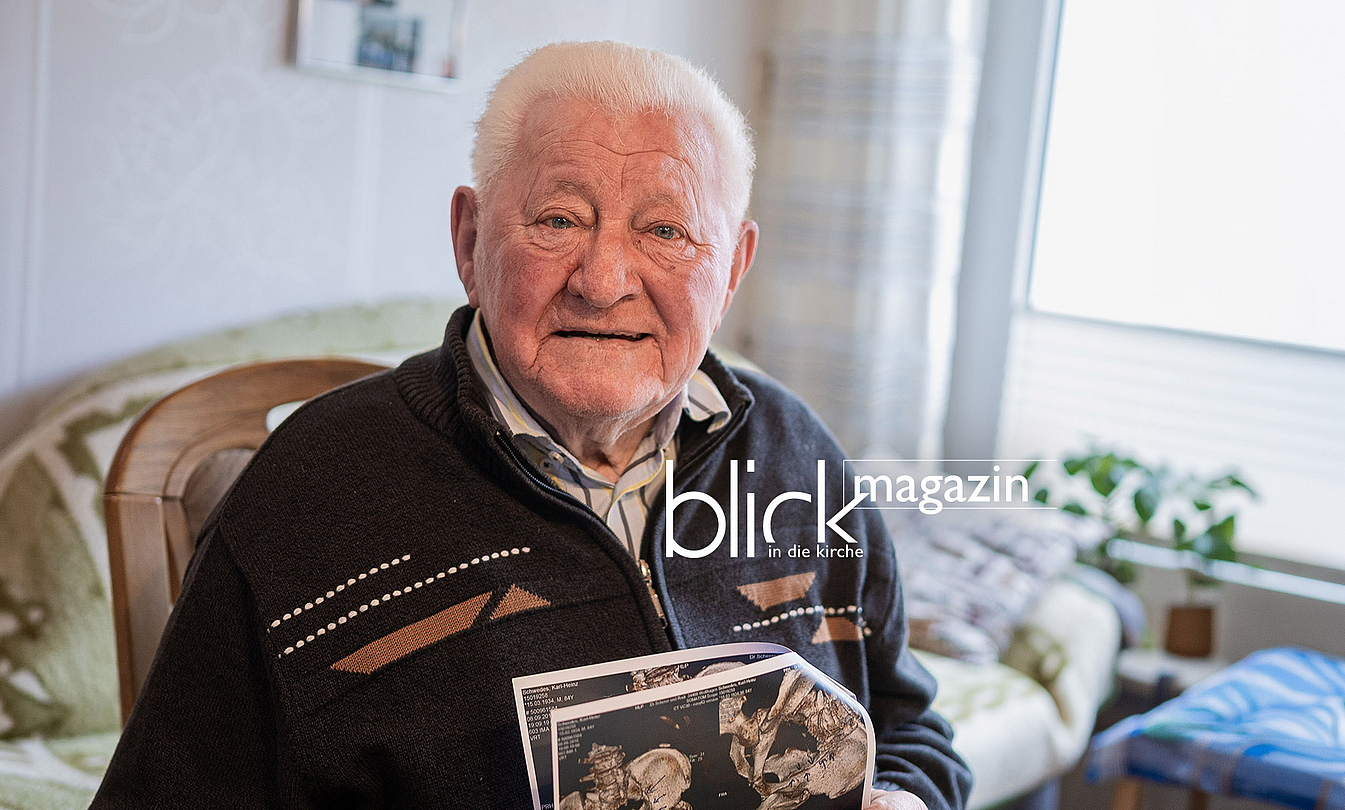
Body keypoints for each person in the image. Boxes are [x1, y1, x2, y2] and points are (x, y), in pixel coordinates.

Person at [88, 41, 972, 810]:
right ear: (470, 241)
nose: (603, 279)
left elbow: (906, 726)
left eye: (666, 230)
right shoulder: (309, 489)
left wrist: (903, 797)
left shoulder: (797, 458)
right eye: (559, 219)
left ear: (732, 266)